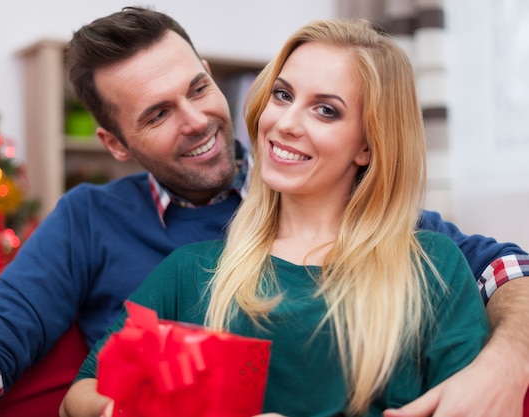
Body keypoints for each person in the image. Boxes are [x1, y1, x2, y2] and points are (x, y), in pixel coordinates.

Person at [0, 6, 529, 417]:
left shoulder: (378, 222)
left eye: (198, 88)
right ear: (115, 145)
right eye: (156, 114)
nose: (197, 121)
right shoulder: (116, 234)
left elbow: (500, 270)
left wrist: (507, 362)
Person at [58, 18, 491, 416]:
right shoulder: (191, 272)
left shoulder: (434, 268)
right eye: (282, 95)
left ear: (368, 146)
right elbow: (79, 397)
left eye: (326, 110)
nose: (285, 123)